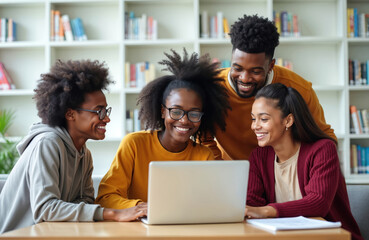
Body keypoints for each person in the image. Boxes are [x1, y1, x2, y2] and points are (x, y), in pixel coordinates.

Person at [0, 60, 147, 234]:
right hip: (16, 235)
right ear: (70, 114)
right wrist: (114, 213)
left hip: (51, 233)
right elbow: (46, 208)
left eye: (106, 111)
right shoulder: (47, 144)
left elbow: (84, 202)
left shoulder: (84, 154)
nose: (106, 118)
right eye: (99, 111)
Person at [95, 49, 230, 209]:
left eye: (194, 114)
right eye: (176, 111)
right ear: (162, 111)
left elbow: (212, 205)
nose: (184, 120)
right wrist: (143, 208)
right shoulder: (134, 144)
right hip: (139, 229)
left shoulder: (204, 156)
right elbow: (105, 198)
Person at [202, 14, 336, 160]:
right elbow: (204, 140)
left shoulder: (299, 89)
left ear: (271, 66)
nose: (244, 78)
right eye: (237, 68)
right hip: (232, 172)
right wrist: (221, 168)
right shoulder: (211, 87)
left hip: (281, 173)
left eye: (255, 71)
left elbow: (324, 139)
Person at [246, 83, 362, 240]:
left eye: (263, 119)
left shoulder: (322, 149)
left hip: (330, 237)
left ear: (288, 120)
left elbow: (318, 203)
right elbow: (252, 203)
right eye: (253, 119)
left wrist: (266, 211)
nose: (255, 126)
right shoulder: (258, 156)